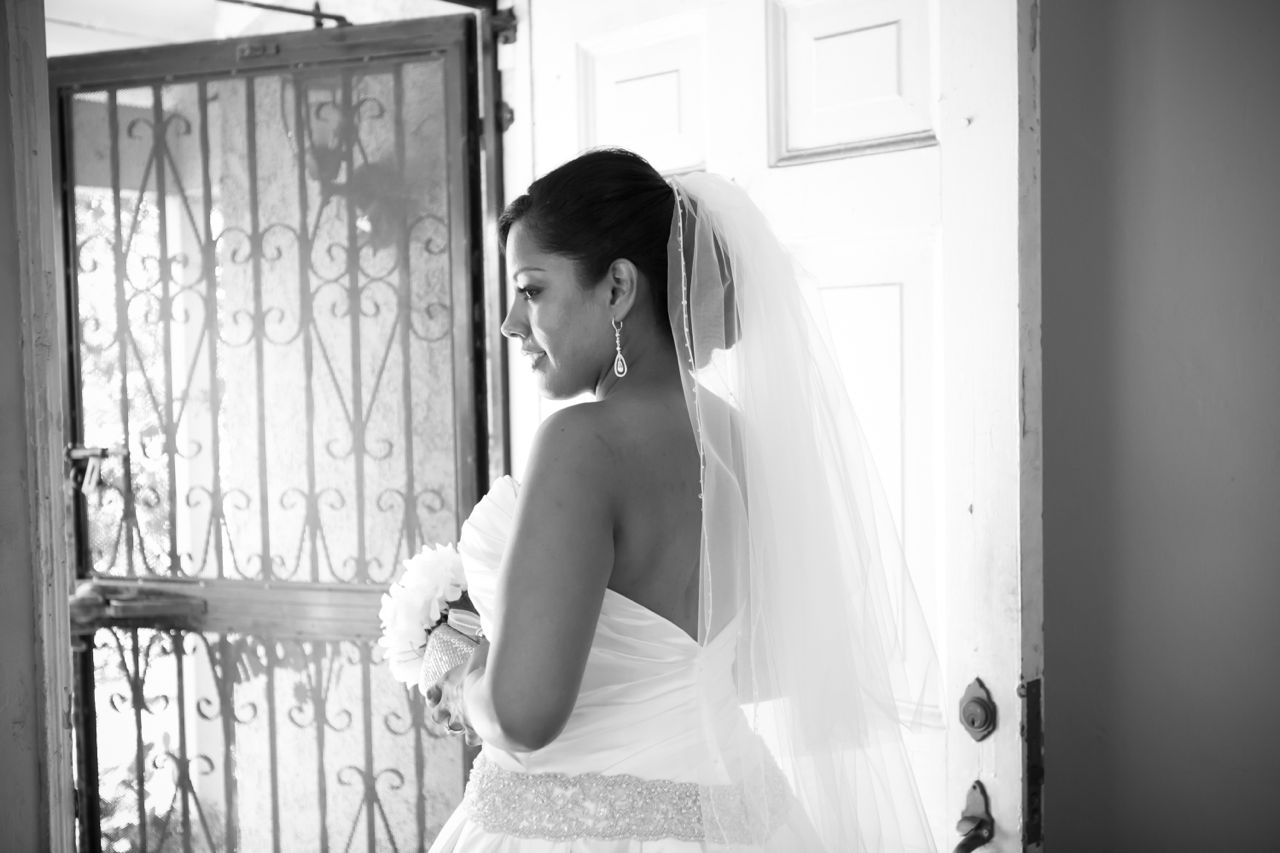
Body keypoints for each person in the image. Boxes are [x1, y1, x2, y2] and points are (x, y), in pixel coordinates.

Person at [425, 149, 938, 851]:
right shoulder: (735, 440)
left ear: (617, 288)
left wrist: (466, 679)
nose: (512, 323)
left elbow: (522, 716)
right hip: (743, 816)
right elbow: (763, 662)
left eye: (531, 290)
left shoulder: (582, 444)